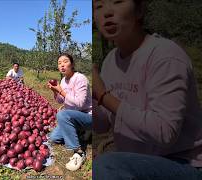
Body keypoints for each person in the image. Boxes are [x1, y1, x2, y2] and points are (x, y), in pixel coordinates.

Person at [93, 0, 202, 179]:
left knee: (106, 166)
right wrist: (93, 97)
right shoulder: (110, 61)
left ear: (139, 10)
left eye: (118, 1)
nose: (107, 12)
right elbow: (102, 125)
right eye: (99, 7)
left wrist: (103, 96)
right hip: (138, 160)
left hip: (183, 163)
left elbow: (165, 132)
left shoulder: (165, 56)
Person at [47, 53, 92, 171]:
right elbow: (60, 100)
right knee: (54, 138)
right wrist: (55, 91)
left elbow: (80, 104)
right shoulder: (63, 81)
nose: (62, 65)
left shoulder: (80, 78)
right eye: (59, 63)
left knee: (62, 114)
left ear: (72, 64)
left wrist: (61, 91)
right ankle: (81, 130)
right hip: (73, 116)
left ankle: (79, 152)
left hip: (88, 116)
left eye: (65, 61)